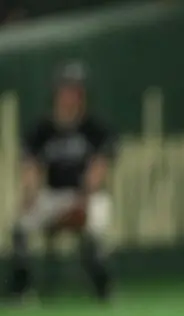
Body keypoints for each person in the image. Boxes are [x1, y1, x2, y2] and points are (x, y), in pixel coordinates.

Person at [5, 60, 116, 303]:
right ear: (57, 92)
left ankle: (103, 289)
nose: (71, 95)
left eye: (76, 90)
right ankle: (21, 290)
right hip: (53, 196)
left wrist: (84, 196)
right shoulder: (42, 129)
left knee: (97, 220)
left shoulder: (94, 128)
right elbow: (31, 167)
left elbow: (99, 168)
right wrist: (30, 195)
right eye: (66, 89)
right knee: (21, 226)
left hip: (86, 194)